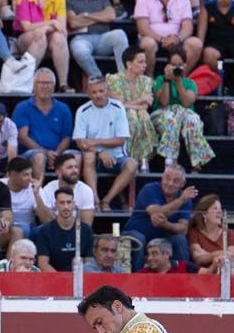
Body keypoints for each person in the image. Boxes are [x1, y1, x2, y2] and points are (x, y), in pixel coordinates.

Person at [73, 76, 137, 211]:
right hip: (95, 157)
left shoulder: (117, 107)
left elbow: (121, 139)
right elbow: (80, 142)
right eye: (94, 92)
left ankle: (107, 200)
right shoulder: (82, 111)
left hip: (118, 157)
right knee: (89, 156)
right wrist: (100, 152)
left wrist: (95, 142)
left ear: (107, 91)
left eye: (101, 91)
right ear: (89, 93)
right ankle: (95, 201)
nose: (98, 95)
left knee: (132, 164)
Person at [124, 163, 199, 267]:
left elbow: (183, 228)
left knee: (180, 239)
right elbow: (157, 213)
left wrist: (166, 224)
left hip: (164, 238)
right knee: (139, 239)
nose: (170, 183)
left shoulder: (185, 199)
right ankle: (137, 278)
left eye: (176, 181)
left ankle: (182, 277)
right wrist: (181, 200)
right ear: (162, 178)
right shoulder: (149, 189)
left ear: (182, 184)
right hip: (136, 232)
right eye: (167, 178)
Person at [151, 49, 215, 170]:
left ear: (185, 65)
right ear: (167, 66)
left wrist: (179, 81)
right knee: (172, 121)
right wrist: (167, 80)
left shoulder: (190, 83)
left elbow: (186, 102)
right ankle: (171, 163)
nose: (177, 68)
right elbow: (164, 102)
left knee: (193, 120)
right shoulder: (160, 80)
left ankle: (196, 163)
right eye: (173, 65)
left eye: (180, 65)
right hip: (163, 113)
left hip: (184, 112)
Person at [14, 68, 74, 182]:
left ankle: (68, 196)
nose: (44, 86)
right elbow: (23, 137)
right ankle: (38, 195)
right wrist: (46, 153)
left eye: (48, 83)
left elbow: (66, 137)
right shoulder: (22, 107)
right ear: (34, 85)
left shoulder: (63, 108)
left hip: (57, 153)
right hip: (30, 153)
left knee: (75, 156)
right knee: (39, 156)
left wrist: (56, 155)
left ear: (54, 85)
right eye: (41, 83)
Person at [134, 0, 200, 73]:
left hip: (176, 40)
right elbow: (143, 28)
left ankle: (180, 78)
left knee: (196, 44)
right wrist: (162, 39)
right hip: (153, 39)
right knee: (148, 44)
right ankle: (150, 80)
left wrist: (178, 38)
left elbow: (188, 27)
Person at [67, 0, 128, 80]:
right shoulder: (68, 1)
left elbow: (111, 16)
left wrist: (86, 15)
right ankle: (99, 79)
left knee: (120, 34)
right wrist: (100, 17)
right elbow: (73, 23)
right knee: (79, 49)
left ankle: (123, 79)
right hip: (82, 39)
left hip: (103, 38)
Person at [15, 0, 71, 89]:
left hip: (48, 39)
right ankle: (26, 82)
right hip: (25, 39)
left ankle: (63, 84)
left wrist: (44, 28)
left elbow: (61, 27)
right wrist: (50, 22)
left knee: (59, 38)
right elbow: (27, 27)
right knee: (40, 37)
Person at [105, 46, 157, 164]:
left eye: (145, 62)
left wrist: (134, 104)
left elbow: (144, 107)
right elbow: (118, 106)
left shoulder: (146, 81)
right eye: (140, 62)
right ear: (129, 64)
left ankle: (143, 158)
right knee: (132, 114)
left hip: (139, 116)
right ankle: (129, 156)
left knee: (143, 115)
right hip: (115, 117)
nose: (144, 65)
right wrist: (141, 100)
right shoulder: (115, 80)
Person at [33, 187, 94, 271]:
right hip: (54, 279)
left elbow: (88, 262)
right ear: (56, 204)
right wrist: (61, 280)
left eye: (69, 202)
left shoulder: (86, 230)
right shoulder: (45, 231)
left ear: (73, 204)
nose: (66, 206)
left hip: (78, 277)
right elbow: (43, 264)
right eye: (62, 203)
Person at [38, 151, 95, 225]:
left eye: (76, 167)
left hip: (76, 232)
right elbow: (46, 221)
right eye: (70, 167)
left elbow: (86, 225)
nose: (75, 171)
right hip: (53, 232)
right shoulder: (48, 189)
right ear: (59, 172)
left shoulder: (85, 190)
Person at [187, 193, 234, 273]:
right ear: (204, 214)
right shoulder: (194, 233)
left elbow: (233, 259)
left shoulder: (229, 233)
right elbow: (198, 258)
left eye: (220, 209)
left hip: (224, 271)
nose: (219, 211)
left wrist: (208, 255)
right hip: (204, 273)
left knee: (233, 272)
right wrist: (218, 254)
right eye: (215, 208)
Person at [1, 155, 37, 237]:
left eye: (31, 174)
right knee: (22, 229)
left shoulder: (34, 187)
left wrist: (37, 194)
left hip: (30, 229)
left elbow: (46, 220)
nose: (30, 179)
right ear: (13, 175)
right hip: (5, 228)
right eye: (26, 175)